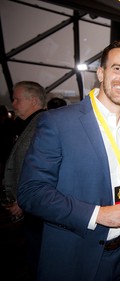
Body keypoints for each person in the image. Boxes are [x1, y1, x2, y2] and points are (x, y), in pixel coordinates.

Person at [17, 39, 120, 281]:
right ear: (101, 72)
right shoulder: (59, 122)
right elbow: (31, 192)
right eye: (117, 68)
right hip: (76, 256)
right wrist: (98, 214)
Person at [2, 81, 46, 280]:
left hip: (34, 206)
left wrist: (23, 199)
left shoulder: (43, 124)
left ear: (34, 100)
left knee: (37, 257)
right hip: (28, 204)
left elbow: (40, 167)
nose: (14, 103)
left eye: (17, 99)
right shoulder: (26, 124)